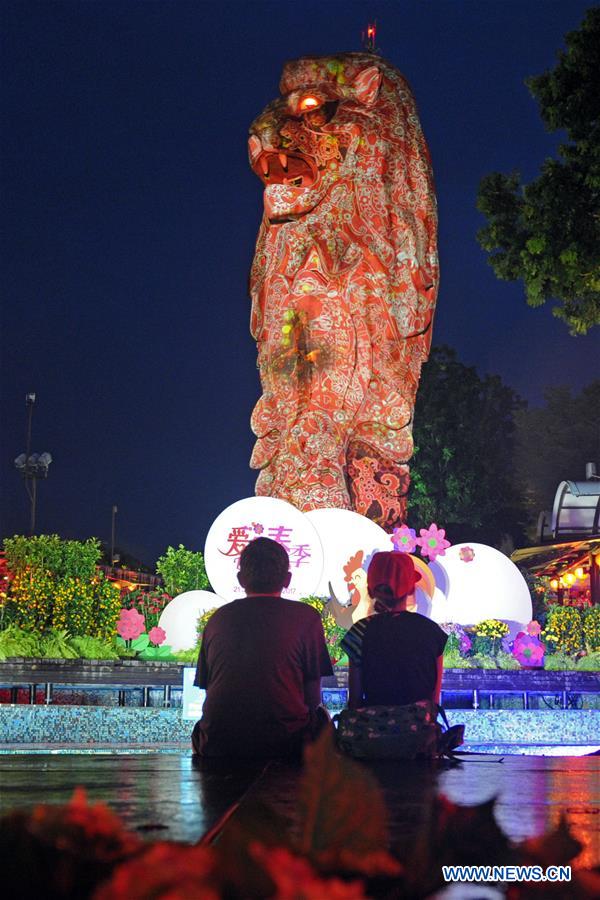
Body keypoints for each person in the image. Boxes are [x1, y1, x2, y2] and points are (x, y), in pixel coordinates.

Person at [192, 537, 333, 758]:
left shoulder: (218, 619)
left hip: (220, 743)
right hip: (287, 744)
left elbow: (210, 689)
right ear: (287, 579)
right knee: (324, 722)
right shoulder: (306, 617)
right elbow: (312, 697)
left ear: (240, 579)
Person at [341, 552, 447, 709]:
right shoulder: (432, 632)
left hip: (372, 730)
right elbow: (434, 701)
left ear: (370, 590)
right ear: (411, 589)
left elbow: (355, 701)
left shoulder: (359, 631)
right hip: (421, 730)